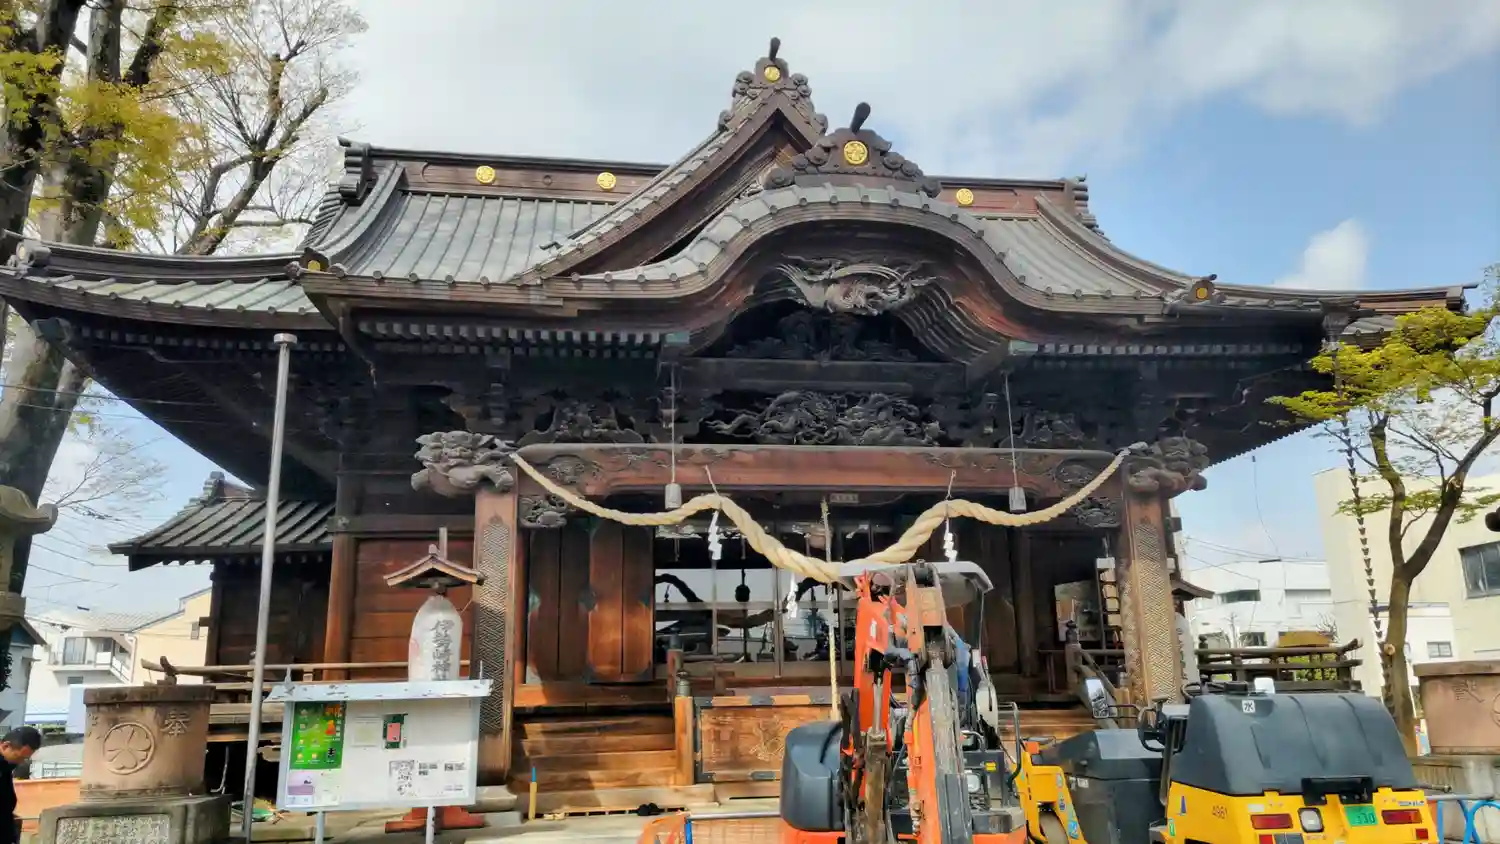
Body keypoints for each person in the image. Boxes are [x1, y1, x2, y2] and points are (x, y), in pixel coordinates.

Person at [0, 727, 42, 844]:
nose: (21, 762)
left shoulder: (5, 768)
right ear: (6, 746)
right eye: (19, 757)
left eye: (25, 758)